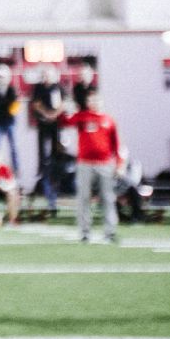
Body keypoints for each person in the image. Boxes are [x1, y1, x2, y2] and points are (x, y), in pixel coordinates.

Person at [60, 90, 122, 244]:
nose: (94, 103)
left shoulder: (109, 120)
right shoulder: (82, 117)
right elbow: (66, 122)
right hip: (85, 164)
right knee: (83, 198)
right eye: (91, 100)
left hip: (105, 164)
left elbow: (117, 145)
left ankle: (110, 232)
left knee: (108, 198)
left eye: (97, 100)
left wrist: (119, 164)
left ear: (101, 102)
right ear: (88, 103)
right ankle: (85, 232)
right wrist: (64, 108)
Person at [29, 65, 65, 215]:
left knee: (56, 157)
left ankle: (56, 178)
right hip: (43, 127)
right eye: (45, 74)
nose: (47, 77)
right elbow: (36, 104)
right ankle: (43, 173)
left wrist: (54, 115)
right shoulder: (38, 88)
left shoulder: (58, 88)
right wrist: (47, 114)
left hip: (55, 127)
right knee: (43, 159)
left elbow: (62, 105)